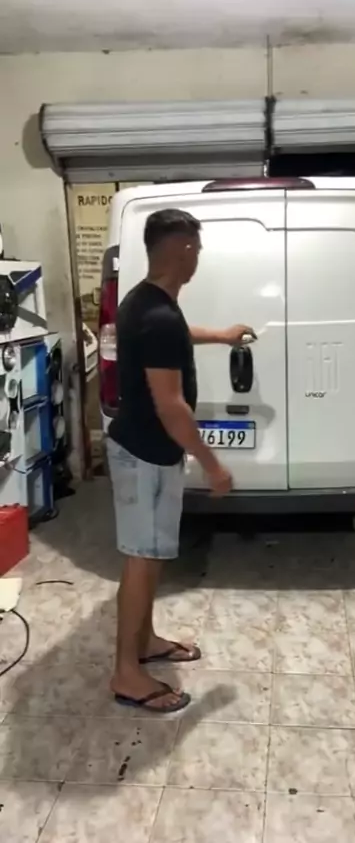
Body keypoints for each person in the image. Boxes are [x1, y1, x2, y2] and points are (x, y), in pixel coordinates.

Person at [107, 208, 255, 712]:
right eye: (197, 247)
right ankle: (126, 673)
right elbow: (172, 407)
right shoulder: (158, 315)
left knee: (149, 555)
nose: (199, 257)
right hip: (145, 454)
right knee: (142, 558)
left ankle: (145, 641)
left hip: (143, 448)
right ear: (184, 250)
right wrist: (213, 465)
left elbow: (175, 337)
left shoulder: (144, 301)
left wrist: (222, 335)